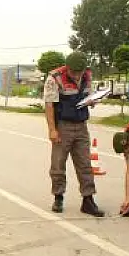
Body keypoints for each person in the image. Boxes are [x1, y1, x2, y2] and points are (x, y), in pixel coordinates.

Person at [43, 51, 104, 217]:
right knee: (58, 164)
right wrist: (52, 129)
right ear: (67, 68)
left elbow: (89, 96)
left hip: (81, 125)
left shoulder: (87, 76)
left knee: (85, 164)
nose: (77, 75)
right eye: (73, 72)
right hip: (63, 125)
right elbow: (49, 105)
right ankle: (58, 196)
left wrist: (93, 101)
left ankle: (88, 200)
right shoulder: (55, 78)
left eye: (80, 72)